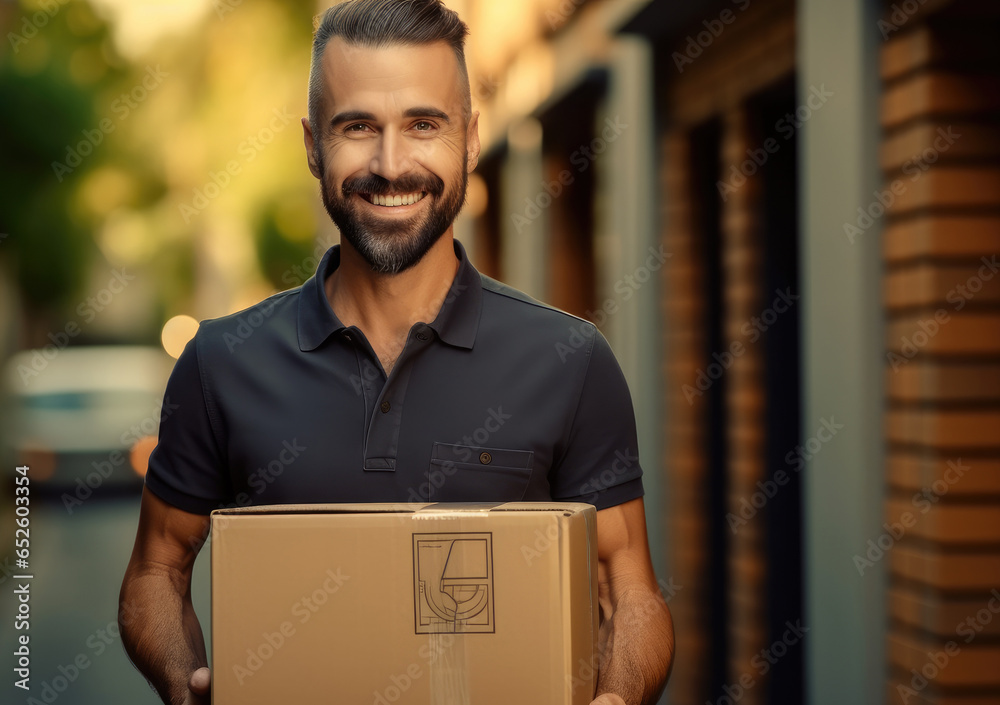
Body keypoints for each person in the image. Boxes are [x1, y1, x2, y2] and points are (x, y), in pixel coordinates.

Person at [119, 1, 674, 703]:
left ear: (470, 139)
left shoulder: (570, 359)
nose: (390, 165)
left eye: (423, 124)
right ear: (313, 144)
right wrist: (183, 680)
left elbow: (631, 592)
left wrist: (618, 698)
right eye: (357, 127)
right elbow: (155, 570)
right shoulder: (220, 363)